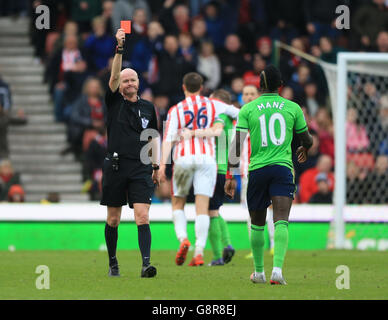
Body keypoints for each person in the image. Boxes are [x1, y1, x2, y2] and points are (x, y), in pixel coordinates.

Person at [225, 65, 313, 285]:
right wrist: (304, 148)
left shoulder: (248, 109)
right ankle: (277, 271)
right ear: (281, 86)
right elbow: (307, 139)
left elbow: (236, 146)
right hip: (282, 168)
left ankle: (259, 272)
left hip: (257, 169)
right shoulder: (293, 108)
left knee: (257, 222)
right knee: (281, 219)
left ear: (260, 85)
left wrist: (229, 175)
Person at [160, 72, 238, 267]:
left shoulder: (176, 109)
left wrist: (161, 165)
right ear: (201, 87)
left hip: (184, 158)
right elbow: (237, 113)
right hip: (208, 160)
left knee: (178, 203)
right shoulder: (213, 105)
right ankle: (199, 252)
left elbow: (168, 139)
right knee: (202, 207)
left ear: (184, 87)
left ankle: (183, 239)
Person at [100, 28, 160, 278]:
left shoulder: (149, 108)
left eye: (133, 79)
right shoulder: (114, 101)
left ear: (139, 82)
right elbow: (113, 77)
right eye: (125, 80)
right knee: (113, 219)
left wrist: (156, 166)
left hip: (141, 167)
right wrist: (119, 48)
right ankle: (113, 262)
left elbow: (153, 138)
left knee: (142, 215)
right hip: (115, 165)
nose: (129, 83)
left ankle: (146, 264)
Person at [239, 84, 275, 258]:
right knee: (251, 211)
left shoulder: (263, 116)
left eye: (252, 93)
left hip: (265, 166)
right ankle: (255, 248)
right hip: (247, 172)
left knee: (271, 208)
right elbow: (234, 145)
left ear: (258, 95)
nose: (249, 97)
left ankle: (274, 243)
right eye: (245, 94)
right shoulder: (239, 116)